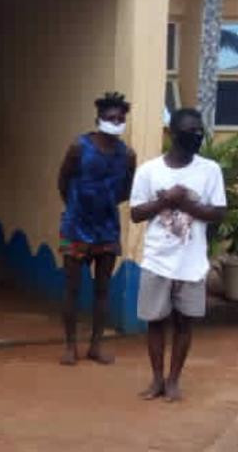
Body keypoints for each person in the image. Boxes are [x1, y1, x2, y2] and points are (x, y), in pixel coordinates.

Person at [130, 108, 226, 402]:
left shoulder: (210, 170)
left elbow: (217, 213)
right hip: (157, 260)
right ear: (172, 134)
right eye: (189, 133)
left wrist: (183, 202)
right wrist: (164, 202)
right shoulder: (149, 170)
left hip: (192, 263)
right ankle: (157, 379)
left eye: (199, 132)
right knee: (155, 321)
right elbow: (136, 213)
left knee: (185, 323)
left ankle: (174, 380)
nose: (196, 137)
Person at [56, 92, 137, 366]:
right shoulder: (79, 148)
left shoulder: (127, 155)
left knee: (103, 289)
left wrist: (106, 204)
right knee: (72, 288)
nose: (115, 122)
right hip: (76, 226)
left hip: (107, 229)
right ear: (98, 119)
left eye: (120, 118)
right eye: (110, 117)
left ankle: (96, 345)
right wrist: (76, 206)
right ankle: (70, 346)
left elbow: (127, 189)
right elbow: (62, 181)